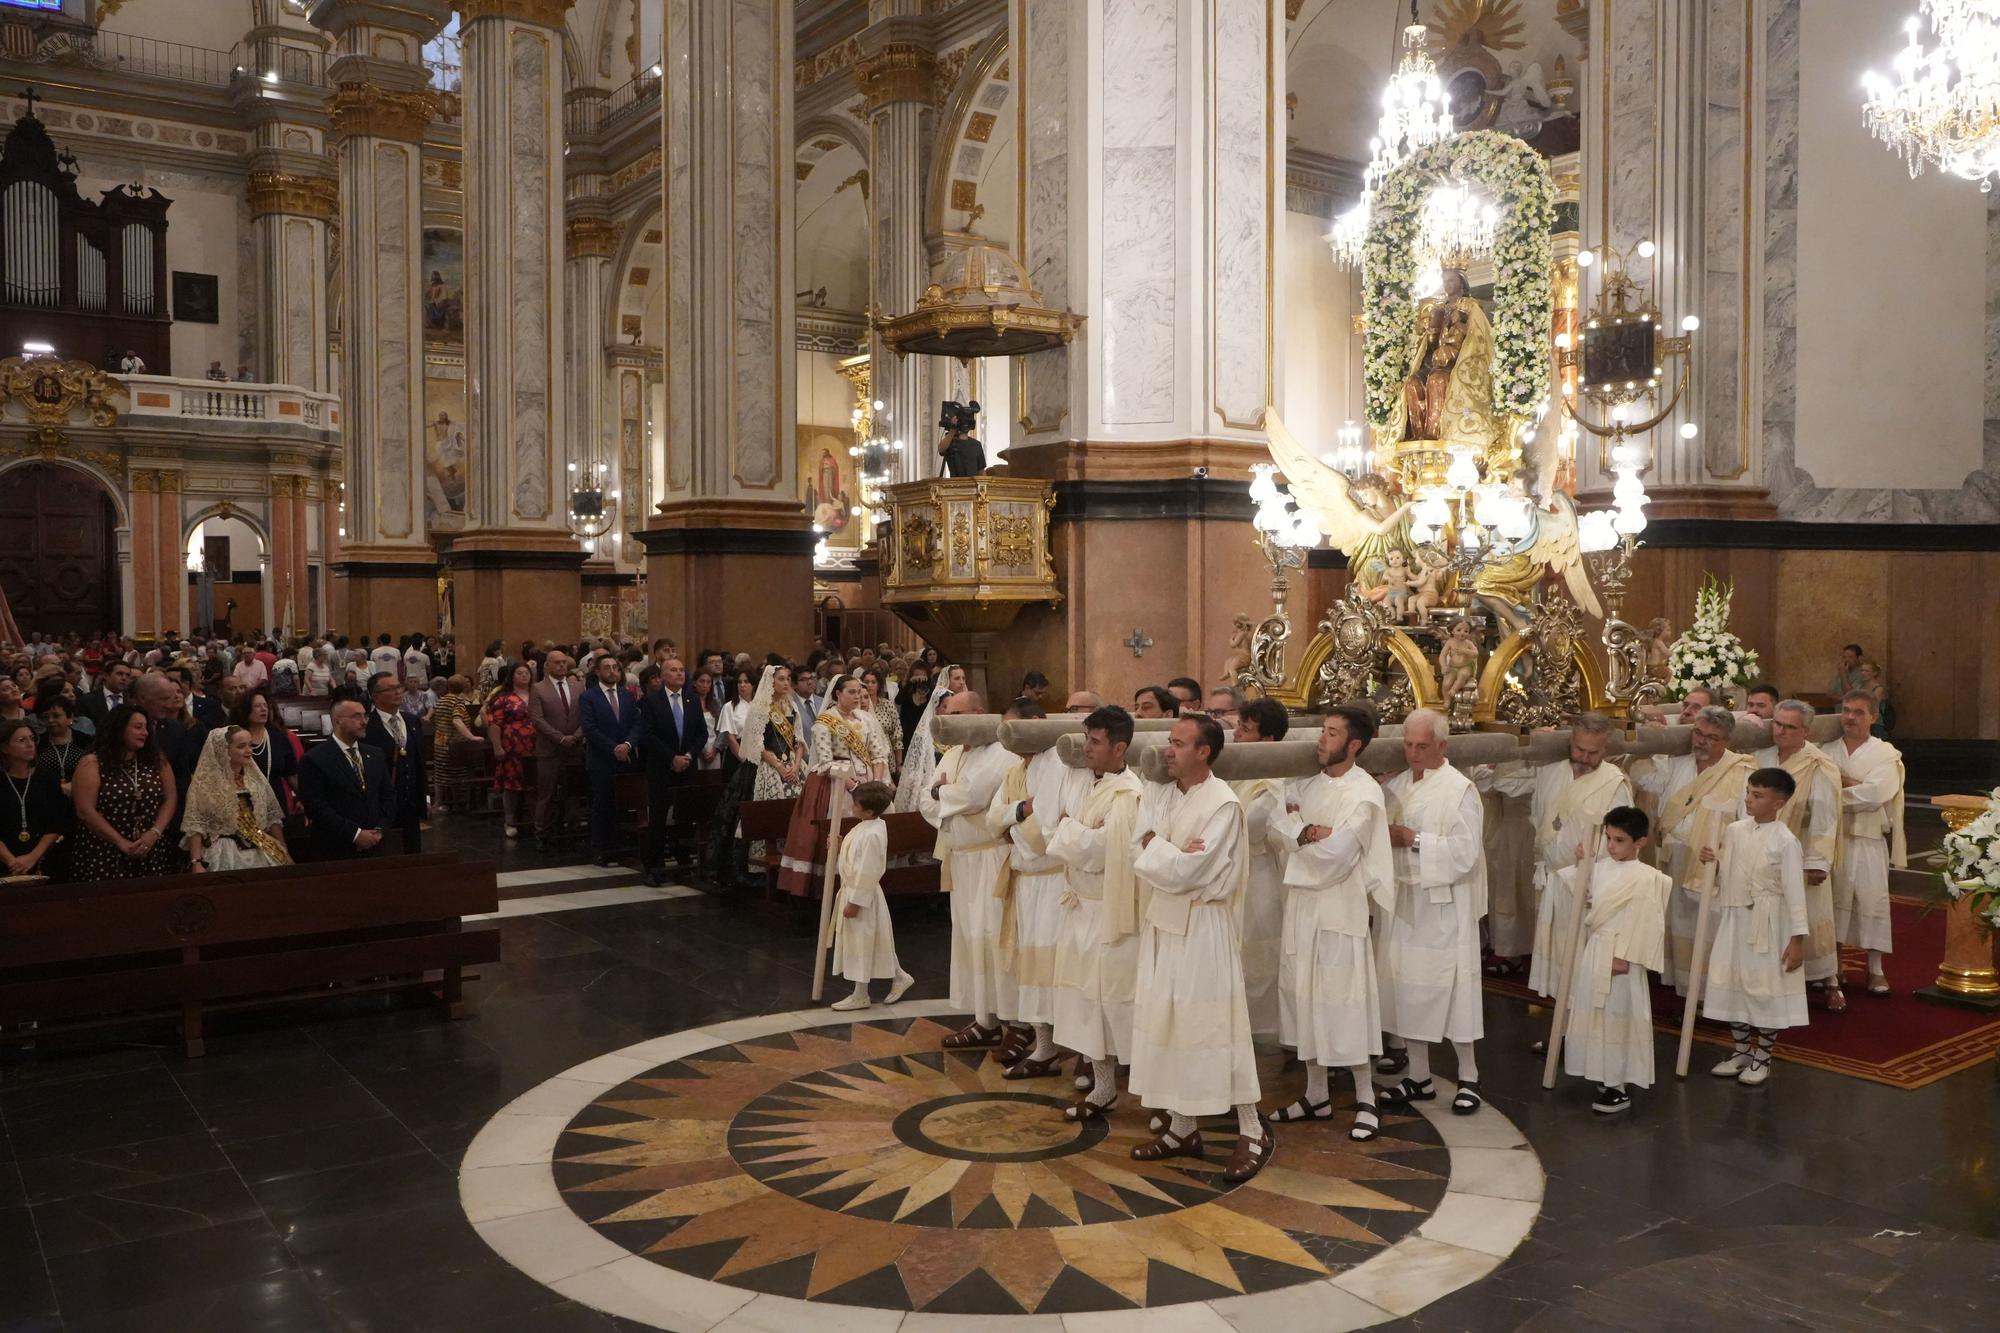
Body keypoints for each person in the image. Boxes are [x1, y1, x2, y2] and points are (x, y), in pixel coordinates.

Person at [1128, 714, 1270, 1182]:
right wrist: (1166, 850)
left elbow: (1192, 873)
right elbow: (1137, 848)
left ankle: (1252, 1129)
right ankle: (1182, 1127)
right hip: (1164, 921)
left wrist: (1159, 849)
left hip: (1203, 928)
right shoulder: (1164, 792)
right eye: (1169, 742)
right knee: (1168, 1023)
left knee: (1214, 1025)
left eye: (1178, 744)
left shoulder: (1223, 805)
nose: (1168, 751)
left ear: (1204, 751)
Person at [1267, 706, 1394, 1140]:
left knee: (1346, 1001)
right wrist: (1306, 832)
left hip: (1340, 909)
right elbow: (1276, 827)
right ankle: (1316, 1094)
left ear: (1354, 744)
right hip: (1303, 908)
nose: (1322, 739)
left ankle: (1366, 1099)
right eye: (1323, 730)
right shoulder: (1306, 783)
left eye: (1333, 733)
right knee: (1303, 997)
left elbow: (1335, 859)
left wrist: (1300, 834)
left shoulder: (1364, 794)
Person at [1376, 709, 1489, 1116]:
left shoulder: (1459, 790)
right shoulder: (1397, 786)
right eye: (1407, 745)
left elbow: (1465, 852)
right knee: (1407, 988)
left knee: (1455, 989)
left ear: (1442, 745)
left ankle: (1469, 1076)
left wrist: (1413, 838)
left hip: (1444, 905)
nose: (1412, 753)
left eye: (1422, 746)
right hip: (1405, 901)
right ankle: (1419, 1076)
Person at [1047, 705, 1147, 1124]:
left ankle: (1158, 1101)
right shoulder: (1088, 783)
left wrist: (1073, 829)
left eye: (1095, 741)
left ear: (1119, 747)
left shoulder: (1128, 793)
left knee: (1118, 1007)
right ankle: (1103, 1088)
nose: (1085, 747)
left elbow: (1101, 850)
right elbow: (1057, 830)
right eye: (1086, 738)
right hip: (1079, 908)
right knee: (1087, 1006)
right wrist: (1075, 829)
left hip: (1112, 915)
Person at [1488, 713, 1632, 1002]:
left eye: (1593, 752)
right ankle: (1561, 1034)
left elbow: (1623, 838)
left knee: (1583, 964)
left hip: (1590, 886)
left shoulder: (1614, 784)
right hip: (1553, 881)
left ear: (1605, 750)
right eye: (1579, 749)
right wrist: (1529, 751)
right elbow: (1505, 783)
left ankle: (1582, 1035)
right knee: (1558, 961)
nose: (1584, 757)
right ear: (1570, 742)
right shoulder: (1550, 769)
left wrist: (1595, 854)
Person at [983, 696, 1088, 1076]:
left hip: (1052, 879)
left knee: (1057, 968)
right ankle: (1042, 1048)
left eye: (1015, 730)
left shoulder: (1058, 763)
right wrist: (1018, 812)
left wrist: (1013, 821)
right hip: (1024, 881)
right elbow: (992, 819)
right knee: (1032, 967)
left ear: (1038, 723)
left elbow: (1046, 830)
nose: (1009, 742)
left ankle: (1081, 1054)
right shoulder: (1016, 769)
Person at [1556, 805, 1673, 1114]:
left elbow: (1649, 922)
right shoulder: (1602, 866)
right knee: (1594, 1014)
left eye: (1619, 840)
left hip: (1622, 957)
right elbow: (1584, 894)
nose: (1611, 846)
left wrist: (1624, 957)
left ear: (1640, 842)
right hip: (1597, 950)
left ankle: (1617, 1085)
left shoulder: (1648, 878)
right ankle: (1601, 1072)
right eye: (1608, 838)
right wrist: (1582, 863)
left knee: (1617, 1017)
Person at [1698, 768, 1809, 1086]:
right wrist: (1715, 863)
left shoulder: (1786, 842)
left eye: (1757, 795)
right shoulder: (1734, 830)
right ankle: (1742, 1050)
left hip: (1769, 923)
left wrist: (1797, 939)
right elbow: (1733, 873)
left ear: (1779, 803)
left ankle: (1763, 1056)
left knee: (1763, 988)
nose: (1748, 799)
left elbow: (1795, 893)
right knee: (1732, 981)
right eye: (1748, 792)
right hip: (1736, 918)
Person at [1634, 705, 1753, 994]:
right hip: (1674, 855)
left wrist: (1725, 857)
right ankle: (1681, 986)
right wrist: (1648, 742)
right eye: (1698, 733)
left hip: (1713, 862)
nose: (1701, 741)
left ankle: (1708, 993)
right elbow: (1643, 776)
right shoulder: (1677, 764)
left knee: (1708, 929)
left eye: (1711, 737)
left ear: (1727, 741)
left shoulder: (1741, 771)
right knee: (1677, 924)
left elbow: (1747, 823)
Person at [919, 690, 1015, 1047]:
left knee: (993, 937)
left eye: (958, 714)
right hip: (960, 858)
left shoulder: (1000, 751)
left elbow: (975, 794)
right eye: (947, 714)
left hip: (991, 858)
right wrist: (945, 796)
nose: (950, 722)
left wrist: (942, 795)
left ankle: (1013, 1021)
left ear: (979, 712)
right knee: (968, 937)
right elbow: (923, 799)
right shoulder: (953, 754)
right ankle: (983, 1018)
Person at [1754, 700, 1844, 1010]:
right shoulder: (1760, 757)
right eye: (1777, 724)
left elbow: (1825, 813)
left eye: (1789, 726)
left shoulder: (1818, 763)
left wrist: (1817, 860)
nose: (1780, 731)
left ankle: (1829, 980)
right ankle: (1776, 980)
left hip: (1801, 851)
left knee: (1812, 914)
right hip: (1764, 853)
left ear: (1805, 730)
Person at [1825, 690, 1905, 996]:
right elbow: (1819, 789)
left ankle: (1875, 969)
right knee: (1833, 902)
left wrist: (1841, 785)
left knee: (1871, 902)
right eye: (1845, 710)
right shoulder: (1826, 750)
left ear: (1873, 717)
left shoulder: (1886, 754)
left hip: (1869, 841)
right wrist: (1855, 786)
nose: (1850, 717)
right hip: (1832, 837)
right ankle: (1835, 966)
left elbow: (1875, 795)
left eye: (1858, 712)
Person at [1230, 697, 1290, 1040]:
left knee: (1259, 956)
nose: (1236, 734)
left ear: (1267, 740)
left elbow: (1249, 828)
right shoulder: (1238, 774)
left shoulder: (1274, 784)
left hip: (1260, 876)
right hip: (1232, 875)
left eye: (1245, 729)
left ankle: (1264, 1033)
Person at [829, 781, 915, 1011]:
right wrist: (840, 845)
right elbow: (854, 857)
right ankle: (898, 976)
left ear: (868, 810)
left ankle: (861, 994)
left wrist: (855, 902)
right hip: (854, 891)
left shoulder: (874, 834)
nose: (851, 807)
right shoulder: (863, 826)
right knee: (871, 941)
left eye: (855, 804)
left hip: (863, 897)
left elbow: (867, 870)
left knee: (863, 943)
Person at [71, 705, 184, 879]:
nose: (145, 733)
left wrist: (155, 832)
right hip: (105, 851)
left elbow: (170, 798)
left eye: (146, 727)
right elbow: (85, 811)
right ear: (119, 729)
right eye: (138, 727)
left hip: (150, 846)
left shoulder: (156, 759)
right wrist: (120, 842)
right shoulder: (92, 763)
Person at [297, 697, 396, 859]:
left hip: (376, 845)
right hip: (336, 848)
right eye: (356, 717)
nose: (364, 722)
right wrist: (356, 834)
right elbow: (316, 807)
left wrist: (379, 829)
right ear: (337, 721)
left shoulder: (376, 754)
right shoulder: (314, 759)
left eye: (365, 716)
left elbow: (389, 796)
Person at [181, 727, 291, 871]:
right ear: (224, 750)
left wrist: (284, 851)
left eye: (250, 745)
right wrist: (196, 861)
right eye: (241, 746)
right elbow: (195, 824)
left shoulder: (256, 781)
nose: (249, 750)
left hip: (261, 847)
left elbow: (272, 817)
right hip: (224, 850)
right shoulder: (205, 784)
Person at [637, 655, 704, 884]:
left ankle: (683, 861)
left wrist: (687, 755)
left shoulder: (692, 699)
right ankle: (653, 866)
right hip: (661, 768)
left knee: (685, 817)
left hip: (687, 766)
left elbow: (701, 733)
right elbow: (648, 735)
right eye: (673, 670)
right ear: (663, 676)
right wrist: (671, 758)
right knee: (658, 817)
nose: (679, 673)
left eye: (682, 670)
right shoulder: (651, 701)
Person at [575, 652, 639, 868]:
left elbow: (636, 724)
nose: (612, 671)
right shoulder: (589, 697)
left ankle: (620, 844)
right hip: (601, 759)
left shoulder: (628, 695)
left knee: (623, 803)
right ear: (597, 672)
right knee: (602, 805)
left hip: (625, 757)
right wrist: (613, 748)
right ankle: (601, 847)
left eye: (615, 667)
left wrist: (628, 745)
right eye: (607, 668)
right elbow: (589, 729)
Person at [365, 672, 426, 853]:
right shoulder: (367, 726)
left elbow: (419, 762)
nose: (398, 692)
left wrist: (425, 797)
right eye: (390, 689)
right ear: (375, 696)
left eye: (398, 687)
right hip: (382, 805)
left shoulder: (412, 721)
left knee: (413, 852)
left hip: (411, 803)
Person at [0, 718, 68, 880]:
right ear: (4, 748)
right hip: (5, 861)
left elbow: (57, 822)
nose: (30, 744)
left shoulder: (47, 779)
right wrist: (11, 861)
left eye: (32, 738)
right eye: (21, 740)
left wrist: (33, 857)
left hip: (43, 859)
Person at [528, 650, 582, 847]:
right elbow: (537, 719)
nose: (561, 666)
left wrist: (576, 736)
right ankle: (541, 831)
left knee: (574, 792)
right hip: (549, 749)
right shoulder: (539, 688)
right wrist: (559, 738)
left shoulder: (577, 686)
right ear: (548, 666)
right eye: (557, 663)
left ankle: (573, 828)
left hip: (574, 747)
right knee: (547, 792)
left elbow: (586, 715)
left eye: (564, 662)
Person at [485, 662, 537, 837]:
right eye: (519, 673)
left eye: (526, 673)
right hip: (512, 747)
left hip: (536, 747)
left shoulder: (537, 695)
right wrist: (497, 746)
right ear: (512, 676)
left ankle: (535, 820)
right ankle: (510, 820)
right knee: (512, 785)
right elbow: (494, 724)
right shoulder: (503, 698)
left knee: (535, 785)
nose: (524, 676)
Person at [231, 687, 299, 812]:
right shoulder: (236, 738)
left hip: (276, 804)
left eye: (265, 706)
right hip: (244, 806)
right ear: (246, 710)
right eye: (257, 706)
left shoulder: (278, 737)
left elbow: (292, 774)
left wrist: (301, 798)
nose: (264, 709)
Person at [428, 675, 483, 798]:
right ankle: (458, 801)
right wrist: (472, 737)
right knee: (456, 773)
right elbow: (457, 721)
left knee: (440, 774)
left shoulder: (441, 700)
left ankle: (440, 802)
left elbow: (432, 716)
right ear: (463, 687)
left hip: (439, 743)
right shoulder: (457, 702)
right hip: (454, 744)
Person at [34, 697, 85, 793]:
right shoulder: (38, 743)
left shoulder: (84, 740)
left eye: (56, 716)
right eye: (46, 717)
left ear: (70, 717)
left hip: (81, 791)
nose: (50, 720)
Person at [861, 666, 904, 776]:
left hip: (888, 756)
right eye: (866, 682)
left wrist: (899, 763)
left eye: (873, 682)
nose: (869, 685)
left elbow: (897, 734)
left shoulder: (887, 705)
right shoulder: (858, 706)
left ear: (879, 685)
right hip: (866, 755)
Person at [78, 659, 133, 728]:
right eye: (119, 674)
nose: (124, 678)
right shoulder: (87, 701)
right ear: (106, 676)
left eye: (127, 675)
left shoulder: (132, 702)